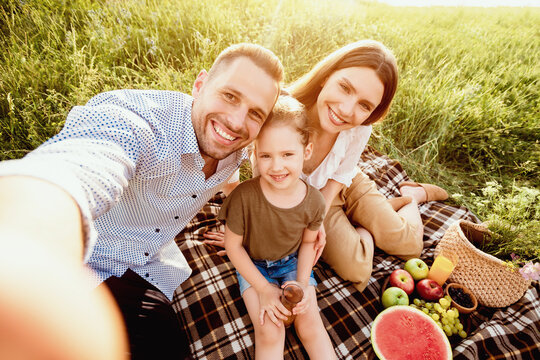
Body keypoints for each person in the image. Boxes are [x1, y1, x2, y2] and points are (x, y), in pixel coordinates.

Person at [0, 43, 283, 359]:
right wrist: (24, 240)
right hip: (85, 265)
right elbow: (81, 165)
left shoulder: (238, 149)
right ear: (200, 85)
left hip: (149, 266)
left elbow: (239, 176)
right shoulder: (141, 123)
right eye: (230, 96)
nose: (236, 121)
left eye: (255, 113)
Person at [204, 40, 448, 293]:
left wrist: (317, 217)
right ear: (326, 76)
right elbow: (232, 156)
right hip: (299, 196)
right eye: (344, 87)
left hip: (339, 186)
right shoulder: (279, 109)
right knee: (357, 269)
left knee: (409, 246)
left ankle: (411, 196)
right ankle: (367, 223)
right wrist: (244, 229)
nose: (346, 110)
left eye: (364, 105)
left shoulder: (360, 127)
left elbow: (344, 172)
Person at [218, 96, 336, 360]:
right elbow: (233, 246)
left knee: (310, 324)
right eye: (266, 155)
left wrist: (303, 283)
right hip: (254, 267)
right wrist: (263, 288)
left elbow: (307, 243)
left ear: (306, 152)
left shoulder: (314, 201)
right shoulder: (243, 198)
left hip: (293, 264)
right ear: (254, 154)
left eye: (287, 154)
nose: (276, 166)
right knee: (270, 330)